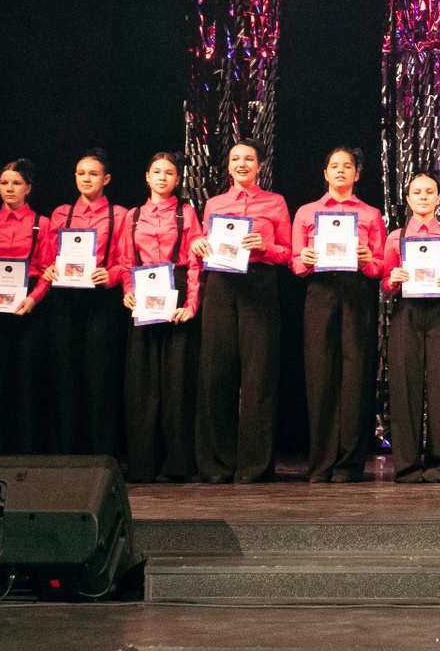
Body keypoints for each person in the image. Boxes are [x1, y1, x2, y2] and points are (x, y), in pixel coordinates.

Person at [189, 140, 291, 484]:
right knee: (216, 373)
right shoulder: (214, 203)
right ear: (229, 165)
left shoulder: (275, 202)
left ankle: (254, 466)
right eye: (235, 158)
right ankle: (216, 464)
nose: (242, 163)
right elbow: (203, 244)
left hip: (259, 284)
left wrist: (266, 246)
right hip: (221, 284)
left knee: (258, 375)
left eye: (249, 159)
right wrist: (198, 243)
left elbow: (288, 252)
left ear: (260, 166)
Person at [290, 146, 386, 483]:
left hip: (357, 292)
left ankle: (349, 464)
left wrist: (367, 260)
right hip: (320, 292)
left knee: (356, 376)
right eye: (335, 165)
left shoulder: (371, 214)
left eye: (348, 166)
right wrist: (305, 259)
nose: (341, 170)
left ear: (357, 174)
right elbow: (295, 262)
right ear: (326, 173)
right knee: (320, 376)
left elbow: (380, 266)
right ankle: (321, 462)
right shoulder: (307, 212)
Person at [38, 150, 130, 457]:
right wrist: (49, 270)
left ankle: (102, 455)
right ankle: (68, 453)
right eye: (81, 173)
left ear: (106, 179)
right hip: (65, 299)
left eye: (93, 174)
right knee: (66, 375)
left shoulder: (119, 214)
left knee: (99, 377)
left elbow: (125, 260)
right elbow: (47, 258)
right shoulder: (61, 214)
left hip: (101, 300)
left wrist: (112, 275)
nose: (86, 179)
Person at [380, 172, 440, 483]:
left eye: (429, 192)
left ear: (438, 198)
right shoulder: (395, 237)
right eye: (416, 192)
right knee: (404, 389)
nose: (422, 196)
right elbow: (386, 281)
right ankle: (407, 466)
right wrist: (392, 280)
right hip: (407, 314)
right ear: (408, 198)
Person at [121, 152, 200, 483]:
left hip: (176, 290)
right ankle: (142, 465)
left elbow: (195, 263)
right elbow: (126, 261)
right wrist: (128, 292)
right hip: (144, 291)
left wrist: (192, 303)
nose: (163, 178)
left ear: (177, 180)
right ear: (147, 177)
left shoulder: (186, 213)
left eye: (169, 173)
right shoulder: (133, 216)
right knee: (142, 383)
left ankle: (178, 465)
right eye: (157, 172)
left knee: (176, 383)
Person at [0, 160, 50, 453]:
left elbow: (47, 269)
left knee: (26, 381)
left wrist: (34, 298)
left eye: (16, 183)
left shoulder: (42, 223)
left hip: (28, 305)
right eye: (4, 183)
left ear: (28, 188)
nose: (10, 188)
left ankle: (26, 452)